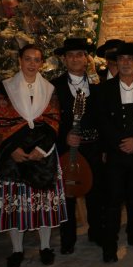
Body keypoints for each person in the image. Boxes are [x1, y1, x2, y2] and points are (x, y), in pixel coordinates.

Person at [0, 44, 67, 267]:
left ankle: (45, 247)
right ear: (20, 61)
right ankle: (17, 250)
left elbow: (53, 121)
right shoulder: (6, 87)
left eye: (37, 60)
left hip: (42, 156)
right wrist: (13, 149)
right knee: (17, 206)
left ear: (41, 63)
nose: (32, 64)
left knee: (42, 204)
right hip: (13, 157)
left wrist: (41, 150)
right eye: (28, 59)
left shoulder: (49, 89)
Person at [96, 43, 133, 262]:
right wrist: (121, 142)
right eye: (122, 59)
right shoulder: (103, 90)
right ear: (116, 63)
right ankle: (109, 245)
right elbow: (102, 121)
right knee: (112, 201)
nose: (126, 63)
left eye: (130, 59)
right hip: (116, 154)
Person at [52, 38, 103, 253]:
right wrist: (64, 137)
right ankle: (68, 238)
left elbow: (104, 116)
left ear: (86, 58)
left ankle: (97, 232)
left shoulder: (98, 84)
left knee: (95, 191)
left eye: (79, 54)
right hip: (67, 147)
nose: (75, 58)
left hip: (93, 146)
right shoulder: (54, 86)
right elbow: (49, 119)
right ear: (64, 59)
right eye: (70, 55)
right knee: (68, 193)